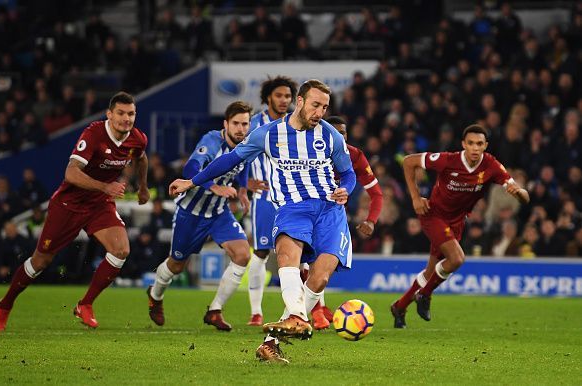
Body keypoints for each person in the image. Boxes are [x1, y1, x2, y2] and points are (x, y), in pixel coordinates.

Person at [169, 79, 356, 363]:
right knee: (287, 257)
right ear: (301, 102)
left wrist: (346, 190)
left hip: (330, 211)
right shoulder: (269, 134)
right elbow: (230, 160)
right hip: (293, 207)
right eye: (316, 105)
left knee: (320, 278)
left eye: (325, 106)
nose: (320, 112)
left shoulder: (331, 136)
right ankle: (296, 315)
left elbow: (349, 173)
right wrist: (192, 181)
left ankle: (271, 343)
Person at [0, 91, 149, 331]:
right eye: (121, 113)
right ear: (109, 114)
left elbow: (142, 157)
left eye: (131, 114)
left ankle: (85, 304)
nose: (126, 118)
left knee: (121, 250)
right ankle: (5, 304)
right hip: (69, 204)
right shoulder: (94, 134)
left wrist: (144, 188)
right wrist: (106, 185)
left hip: (99, 204)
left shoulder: (137, 138)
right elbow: (71, 173)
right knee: (41, 261)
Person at [390, 124, 529, 329]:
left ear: (485, 146)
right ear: (463, 144)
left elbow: (524, 197)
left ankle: (399, 307)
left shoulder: (491, 166)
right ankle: (425, 295)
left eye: (479, 144)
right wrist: (415, 198)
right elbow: (409, 162)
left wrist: (518, 192)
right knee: (457, 259)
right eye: (471, 143)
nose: (475, 148)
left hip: (457, 221)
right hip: (433, 215)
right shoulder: (448, 160)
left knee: (430, 273)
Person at [146, 101, 253, 332]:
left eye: (245, 123)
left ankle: (214, 310)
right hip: (191, 213)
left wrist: (243, 190)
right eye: (236, 123)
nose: (241, 128)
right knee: (176, 266)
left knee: (243, 255)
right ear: (226, 123)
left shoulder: (247, 144)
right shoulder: (212, 141)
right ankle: (155, 295)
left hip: (218, 212)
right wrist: (215, 187)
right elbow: (190, 170)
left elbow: (243, 167)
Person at [306, 115, 383, 330]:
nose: (339, 137)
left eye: (343, 133)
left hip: (331, 216)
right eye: (334, 132)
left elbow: (376, 194)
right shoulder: (309, 151)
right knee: (305, 263)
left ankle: (314, 309)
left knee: (323, 266)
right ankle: (313, 312)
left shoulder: (355, 156)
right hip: (304, 211)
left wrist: (371, 220)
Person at [246, 75, 298, 327]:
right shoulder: (255, 123)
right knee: (261, 252)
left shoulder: (296, 123)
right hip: (264, 198)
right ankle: (256, 312)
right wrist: (244, 183)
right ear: (268, 97)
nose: (283, 100)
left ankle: (299, 311)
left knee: (300, 252)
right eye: (279, 95)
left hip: (291, 197)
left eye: (287, 96)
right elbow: (238, 153)